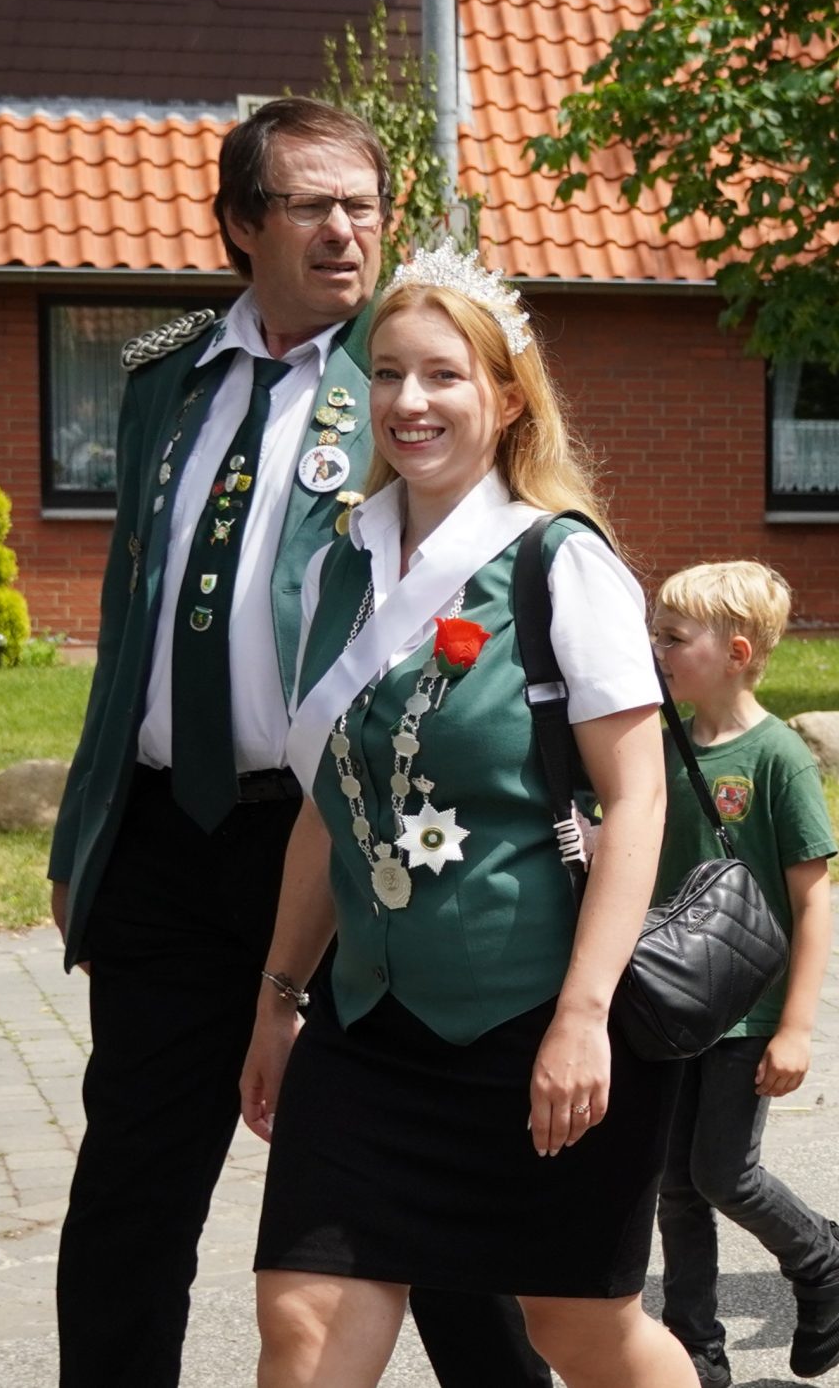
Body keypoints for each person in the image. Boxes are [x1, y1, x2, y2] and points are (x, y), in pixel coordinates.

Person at [44, 99, 543, 1388]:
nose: (344, 231)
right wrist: (86, 829)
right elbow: (131, 621)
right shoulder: (163, 380)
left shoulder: (411, 372)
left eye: (363, 206)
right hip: (166, 838)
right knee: (130, 1190)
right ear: (238, 224)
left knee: (419, 1189)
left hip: (350, 837)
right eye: (311, 205)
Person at [241, 255, 692, 1388]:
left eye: (443, 374)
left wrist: (583, 1018)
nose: (410, 401)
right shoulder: (337, 566)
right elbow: (328, 807)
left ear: (508, 397)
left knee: (577, 1332)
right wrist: (278, 998)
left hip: (538, 1021)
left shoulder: (561, 562)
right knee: (302, 1317)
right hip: (367, 1027)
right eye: (388, 373)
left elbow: (639, 798)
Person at [648, 561, 839, 1386]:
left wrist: (797, 1025)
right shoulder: (660, 743)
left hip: (748, 1010)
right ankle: (695, 1351)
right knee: (675, 1186)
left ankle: (827, 1259)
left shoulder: (779, 756)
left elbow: (812, 901)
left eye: (674, 637)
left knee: (723, 1172)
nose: (657, 649)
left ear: (737, 652)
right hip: (669, 1003)